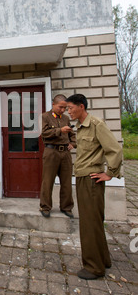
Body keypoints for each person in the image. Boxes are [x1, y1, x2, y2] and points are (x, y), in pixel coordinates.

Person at [66, 94, 123, 280]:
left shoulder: (96, 124)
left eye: (71, 108)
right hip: (83, 178)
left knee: (89, 224)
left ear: (81, 106)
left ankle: (93, 268)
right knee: (94, 222)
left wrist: (110, 173)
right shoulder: (80, 128)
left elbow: (114, 149)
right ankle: (103, 260)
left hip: (91, 180)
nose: (69, 111)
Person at [40, 94, 76, 218]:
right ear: (54, 104)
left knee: (66, 182)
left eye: (65, 108)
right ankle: (45, 207)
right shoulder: (45, 116)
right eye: (61, 107)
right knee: (48, 181)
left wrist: (73, 143)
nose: (63, 110)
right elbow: (44, 133)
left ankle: (66, 207)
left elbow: (72, 134)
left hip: (65, 153)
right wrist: (60, 130)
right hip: (51, 152)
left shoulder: (66, 118)